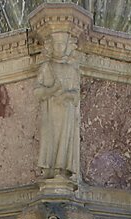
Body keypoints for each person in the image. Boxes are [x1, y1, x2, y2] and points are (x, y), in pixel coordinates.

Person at [34, 32, 79, 180]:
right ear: (51, 46)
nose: (59, 47)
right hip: (51, 111)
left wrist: (66, 95)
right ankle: (49, 170)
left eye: (62, 44)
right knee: (50, 139)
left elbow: (76, 95)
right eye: (57, 44)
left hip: (67, 112)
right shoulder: (47, 67)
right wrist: (52, 90)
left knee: (65, 139)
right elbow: (37, 92)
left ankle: (62, 169)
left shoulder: (71, 69)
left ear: (67, 46)